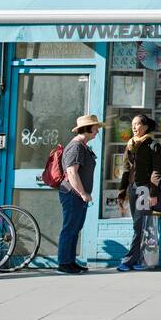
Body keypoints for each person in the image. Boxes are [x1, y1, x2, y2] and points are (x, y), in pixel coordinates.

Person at [116, 113, 161, 272]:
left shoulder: (153, 145)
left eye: (137, 124)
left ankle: (129, 260)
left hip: (145, 189)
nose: (134, 127)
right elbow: (126, 170)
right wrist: (122, 192)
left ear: (145, 126)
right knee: (138, 225)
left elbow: (157, 171)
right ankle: (141, 259)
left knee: (139, 225)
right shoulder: (130, 144)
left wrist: (153, 193)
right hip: (133, 188)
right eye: (133, 124)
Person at [58, 114, 101, 275]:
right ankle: (63, 263)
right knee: (70, 228)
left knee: (75, 228)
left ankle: (70, 261)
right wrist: (82, 193)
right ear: (88, 129)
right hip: (71, 194)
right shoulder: (76, 147)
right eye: (95, 128)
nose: (97, 131)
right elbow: (72, 172)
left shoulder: (83, 146)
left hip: (76, 195)